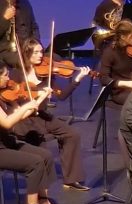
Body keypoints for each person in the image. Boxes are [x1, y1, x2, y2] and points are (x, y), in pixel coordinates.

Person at [8, 38, 91, 191]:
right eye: (37, 52)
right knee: (42, 150)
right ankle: (40, 189)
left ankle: (71, 179)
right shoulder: (16, 74)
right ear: (27, 54)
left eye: (42, 51)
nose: (41, 55)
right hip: (25, 119)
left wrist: (77, 80)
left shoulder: (46, 74)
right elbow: (11, 96)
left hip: (42, 115)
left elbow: (62, 95)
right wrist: (35, 95)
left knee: (72, 135)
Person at [0, 63, 58, 204]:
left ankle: (42, 199)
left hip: (8, 142)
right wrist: (25, 106)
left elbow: (21, 115)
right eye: (5, 75)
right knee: (35, 163)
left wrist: (39, 99)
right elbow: (7, 123)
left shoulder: (4, 95)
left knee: (45, 155)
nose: (8, 78)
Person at [99, 19, 132, 105]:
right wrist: (128, 84)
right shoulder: (109, 52)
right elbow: (104, 79)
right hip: (121, 91)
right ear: (123, 37)